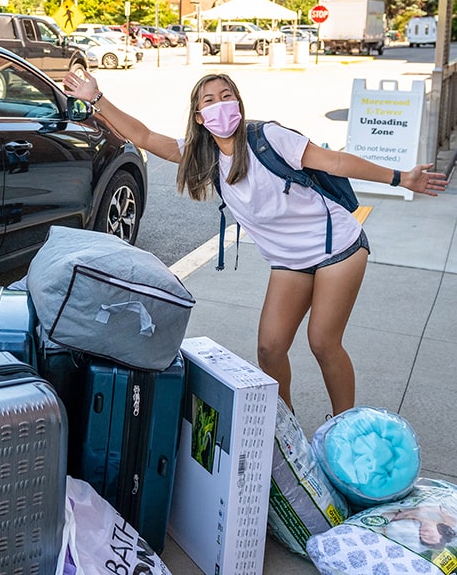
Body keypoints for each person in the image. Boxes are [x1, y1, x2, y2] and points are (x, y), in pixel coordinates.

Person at [62, 69, 449, 416]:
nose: (220, 105)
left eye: (227, 95)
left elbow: (336, 163)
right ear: (199, 117)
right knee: (269, 349)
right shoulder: (204, 157)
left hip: (338, 248)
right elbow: (144, 136)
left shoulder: (269, 139)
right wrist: (97, 98)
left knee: (322, 342)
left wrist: (401, 178)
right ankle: (287, 424)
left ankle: (346, 425)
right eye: (209, 100)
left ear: (239, 104)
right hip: (289, 261)